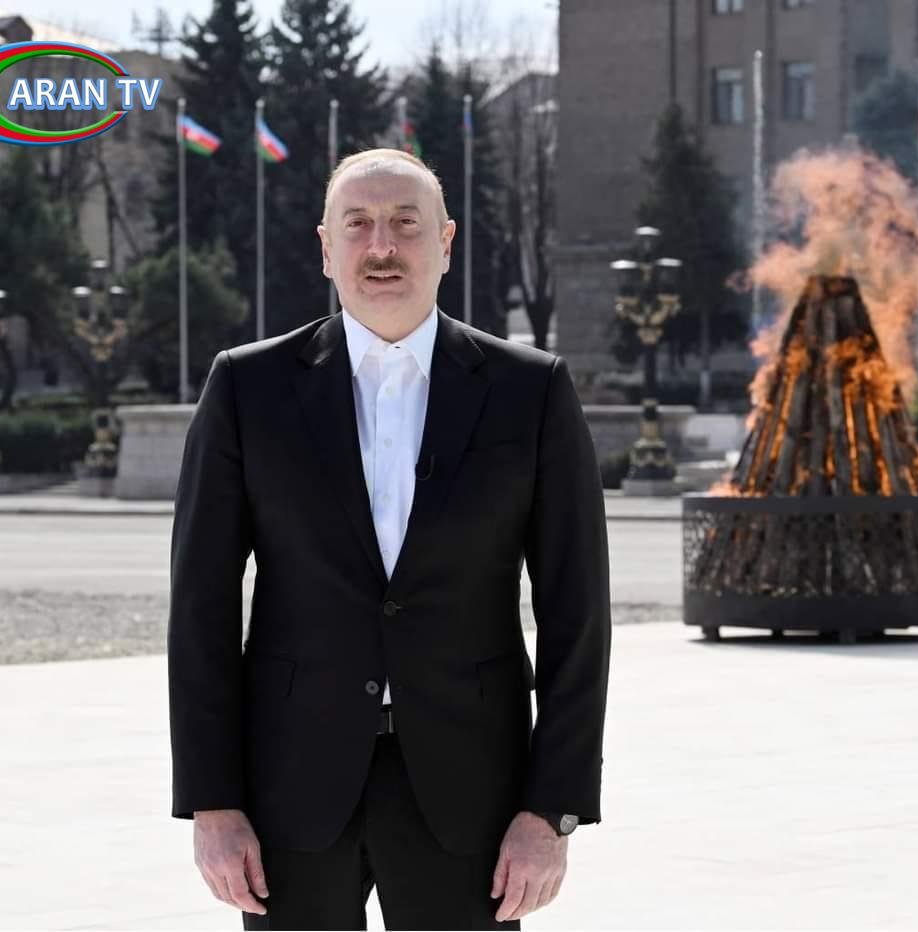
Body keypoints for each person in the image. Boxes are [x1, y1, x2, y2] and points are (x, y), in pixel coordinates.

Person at [167, 148, 611, 931]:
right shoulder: (247, 387)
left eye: (406, 224)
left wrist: (554, 809)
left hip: (474, 794)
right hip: (288, 790)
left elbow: (578, 615)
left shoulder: (531, 390)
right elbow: (200, 609)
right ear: (326, 247)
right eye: (359, 224)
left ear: (445, 242)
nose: (381, 246)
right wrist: (212, 801)